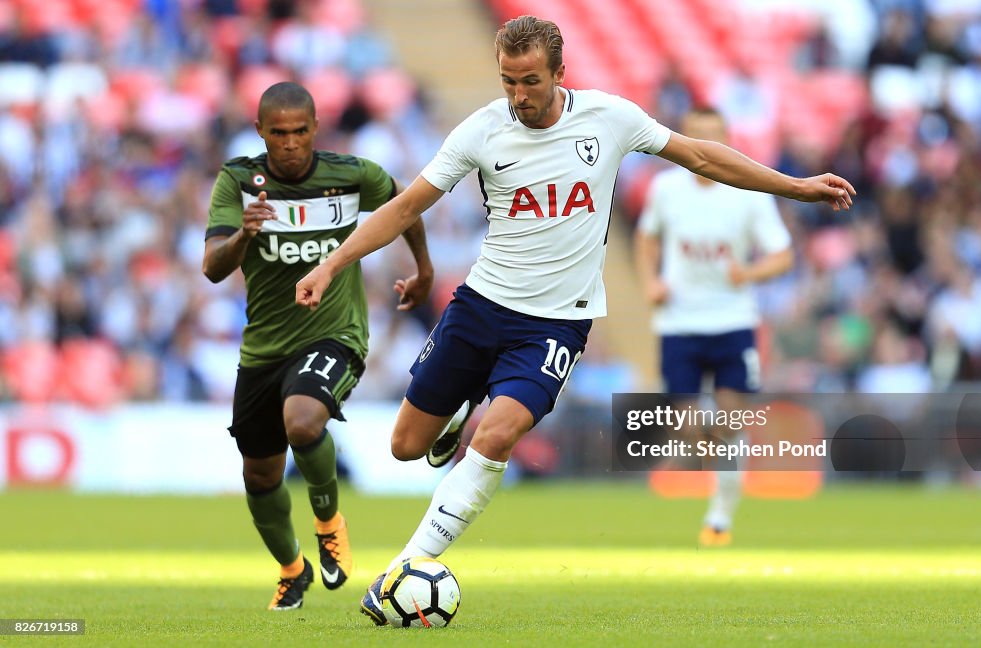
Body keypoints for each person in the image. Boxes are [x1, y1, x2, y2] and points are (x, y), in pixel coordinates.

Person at [293, 15, 855, 624]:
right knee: (405, 447)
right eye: (508, 81)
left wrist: (795, 187)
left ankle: (402, 569)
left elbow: (699, 155)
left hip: (556, 324)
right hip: (481, 308)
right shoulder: (483, 130)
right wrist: (332, 263)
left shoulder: (608, 119)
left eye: (530, 81)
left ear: (561, 73)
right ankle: (458, 407)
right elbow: (405, 206)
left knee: (498, 435)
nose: (518, 96)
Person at [202, 81, 433, 611]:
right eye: (278, 133)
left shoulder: (351, 175)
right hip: (263, 348)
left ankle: (330, 522)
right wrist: (242, 235)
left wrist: (423, 270)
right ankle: (292, 569)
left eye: (299, 132)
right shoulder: (238, 180)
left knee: (303, 422)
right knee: (259, 476)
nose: (289, 143)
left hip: (335, 332)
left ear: (315, 129)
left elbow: (407, 205)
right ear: (261, 132)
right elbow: (213, 268)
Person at [634, 107, 795, 547]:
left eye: (713, 137)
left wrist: (749, 274)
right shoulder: (666, 189)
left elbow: (782, 254)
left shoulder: (749, 193)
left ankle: (721, 517)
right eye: (696, 136)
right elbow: (646, 237)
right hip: (679, 324)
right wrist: (651, 281)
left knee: (731, 421)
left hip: (733, 323)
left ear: (727, 139)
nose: (705, 145)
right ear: (684, 139)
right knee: (687, 426)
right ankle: (713, 465)